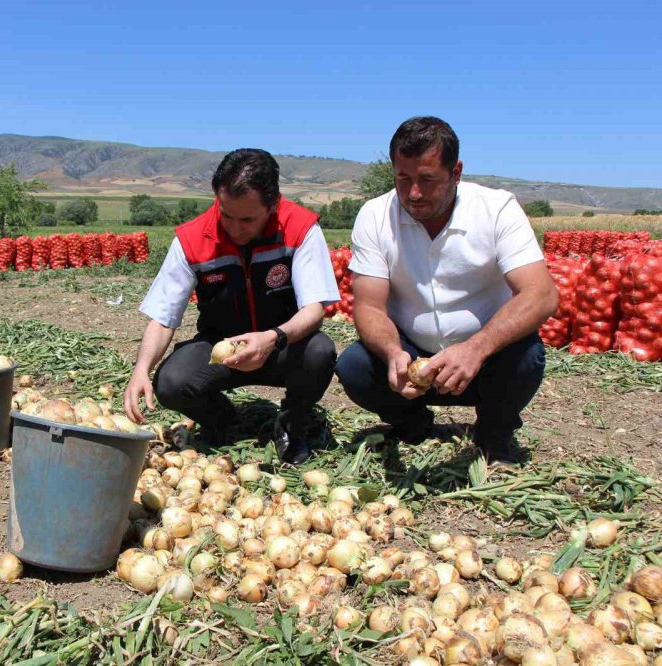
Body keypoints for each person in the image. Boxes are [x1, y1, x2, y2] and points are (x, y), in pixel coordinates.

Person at [334, 117, 558, 465]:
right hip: (412, 352)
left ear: (456, 172)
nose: (413, 193)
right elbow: (369, 306)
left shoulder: (496, 209)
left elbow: (541, 294)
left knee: (526, 357)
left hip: (485, 360)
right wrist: (393, 353)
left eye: (427, 180)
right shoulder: (375, 215)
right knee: (356, 365)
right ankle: (412, 423)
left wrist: (475, 349)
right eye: (402, 179)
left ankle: (494, 433)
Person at [123, 149, 341, 464]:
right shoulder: (192, 238)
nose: (235, 229)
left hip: (281, 345)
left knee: (319, 352)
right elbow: (163, 317)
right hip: (219, 349)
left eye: (248, 219)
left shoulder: (300, 227)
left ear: (273, 204)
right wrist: (141, 369)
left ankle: (292, 421)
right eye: (226, 215)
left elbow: (314, 309)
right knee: (170, 382)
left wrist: (272, 338)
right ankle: (222, 419)